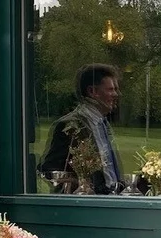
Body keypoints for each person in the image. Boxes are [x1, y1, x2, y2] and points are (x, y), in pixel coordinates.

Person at [37, 63, 127, 195]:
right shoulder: (70, 126)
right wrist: (81, 186)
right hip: (88, 207)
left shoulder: (102, 123)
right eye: (111, 89)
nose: (116, 94)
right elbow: (48, 169)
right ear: (93, 92)